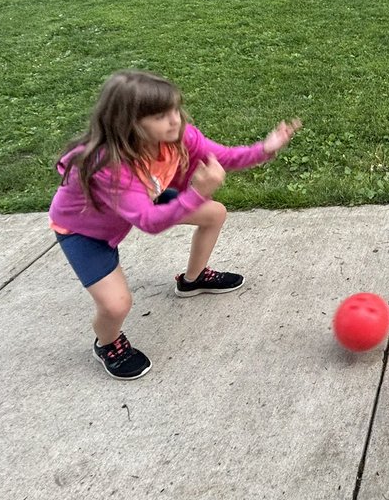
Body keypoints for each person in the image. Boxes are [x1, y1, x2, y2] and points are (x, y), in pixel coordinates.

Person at [48, 69, 300, 380]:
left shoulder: (178, 137)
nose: (174, 121)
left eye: (174, 109)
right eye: (160, 116)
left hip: (139, 201)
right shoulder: (110, 167)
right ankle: (107, 342)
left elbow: (224, 157)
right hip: (85, 231)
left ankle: (192, 280)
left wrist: (265, 149)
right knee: (116, 305)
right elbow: (148, 222)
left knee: (214, 214)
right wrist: (197, 194)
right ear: (128, 124)